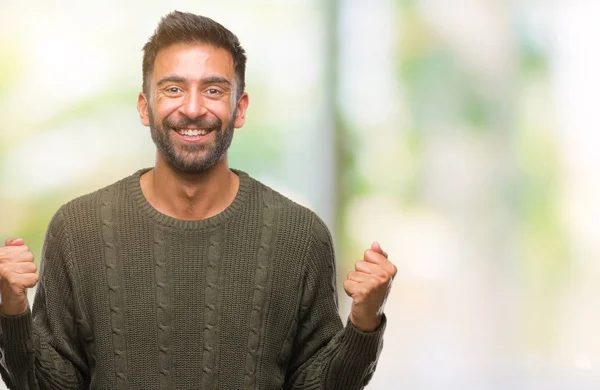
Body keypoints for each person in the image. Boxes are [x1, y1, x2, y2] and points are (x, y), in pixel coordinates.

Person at [0, 11, 396, 389]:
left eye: (213, 90)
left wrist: (363, 320)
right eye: (173, 89)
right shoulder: (78, 230)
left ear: (239, 109)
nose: (192, 108)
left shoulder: (301, 235)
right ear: (145, 107)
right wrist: (12, 310)